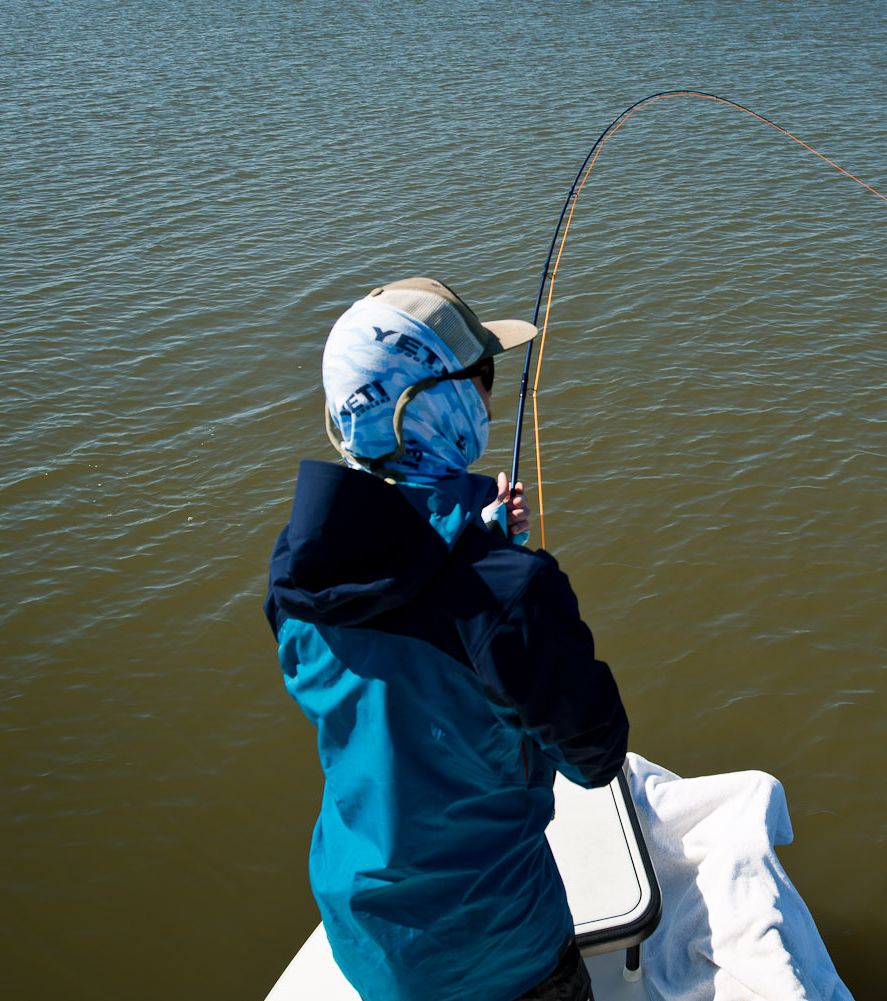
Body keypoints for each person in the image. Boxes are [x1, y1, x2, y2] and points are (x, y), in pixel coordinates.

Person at [264, 278, 628, 1001]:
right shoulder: (508, 592)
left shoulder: (298, 568)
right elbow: (597, 754)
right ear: (426, 404)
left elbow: (396, 636)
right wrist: (506, 576)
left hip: (366, 933)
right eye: (480, 379)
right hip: (498, 949)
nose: (490, 402)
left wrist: (472, 529)